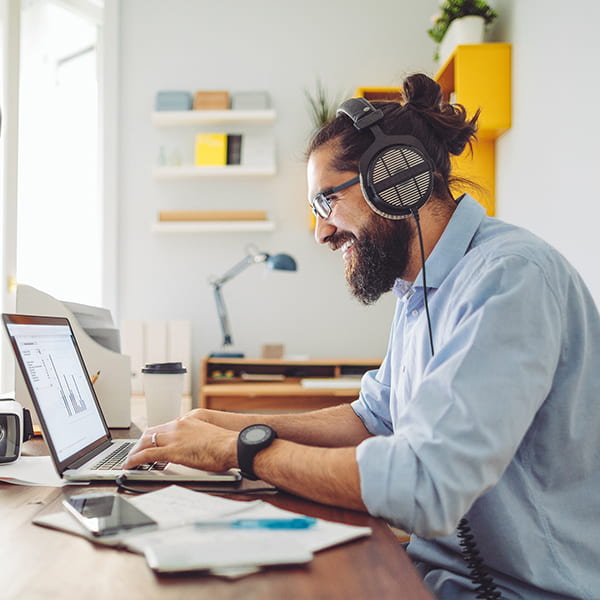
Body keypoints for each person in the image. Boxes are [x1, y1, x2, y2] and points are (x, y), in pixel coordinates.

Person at [124, 73, 600, 600]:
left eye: (325, 202)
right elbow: (373, 420)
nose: (320, 232)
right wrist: (224, 423)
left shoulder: (510, 278)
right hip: (431, 576)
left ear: (394, 178)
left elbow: (425, 485)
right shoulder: (420, 288)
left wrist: (237, 449)